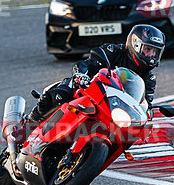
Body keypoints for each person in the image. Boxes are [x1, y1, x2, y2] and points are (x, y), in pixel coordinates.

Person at [22, 24, 165, 129]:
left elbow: (145, 104)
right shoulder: (113, 51)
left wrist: (148, 112)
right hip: (86, 90)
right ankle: (29, 124)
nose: (152, 55)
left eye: (155, 52)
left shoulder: (149, 79)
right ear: (135, 43)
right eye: (148, 49)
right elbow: (86, 64)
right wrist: (80, 76)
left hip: (110, 108)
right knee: (58, 95)